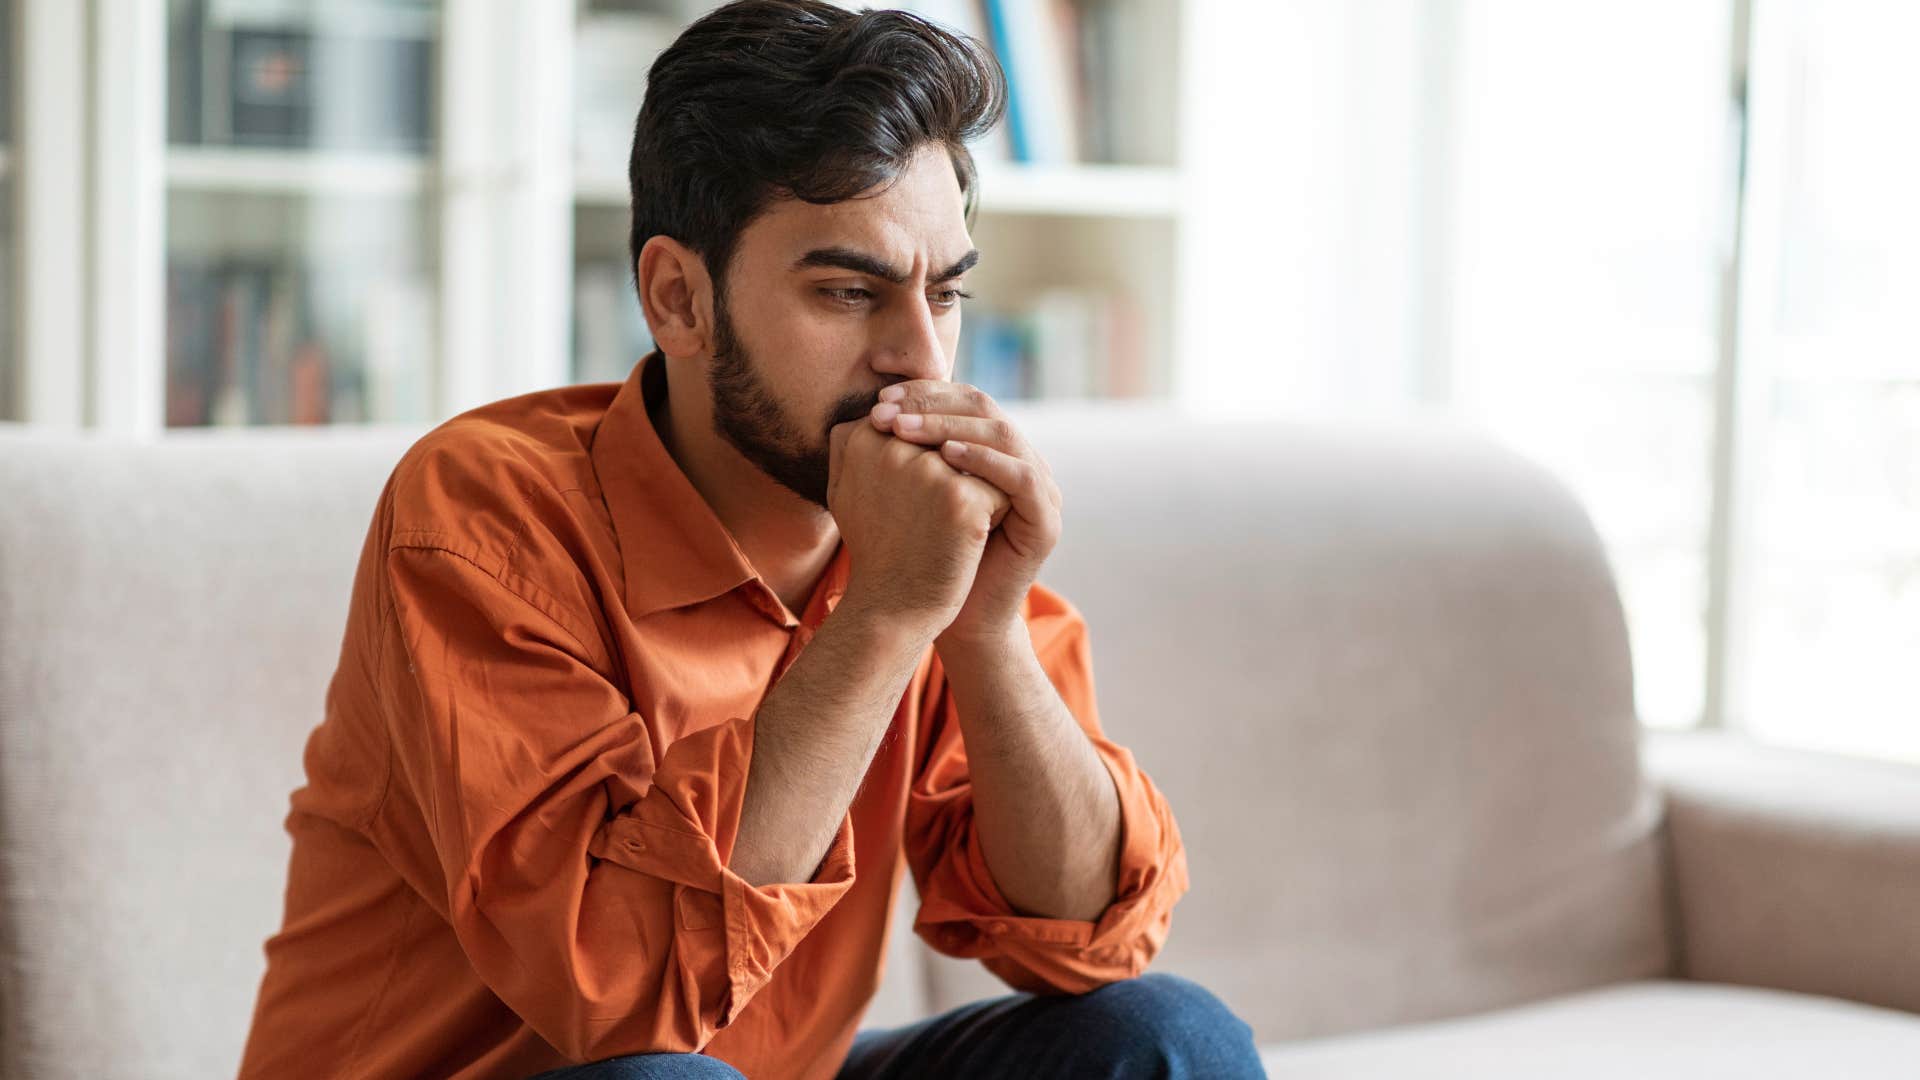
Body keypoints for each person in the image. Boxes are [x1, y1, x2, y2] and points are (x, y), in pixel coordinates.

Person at [236, 2, 1262, 1077]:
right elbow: (622, 994)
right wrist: (885, 618)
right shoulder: (484, 521)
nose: (920, 360)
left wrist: (986, 627)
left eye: (945, 294)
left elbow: (1090, 935)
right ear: (679, 299)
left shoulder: (914, 536)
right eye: (848, 292)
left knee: (1161, 1041)